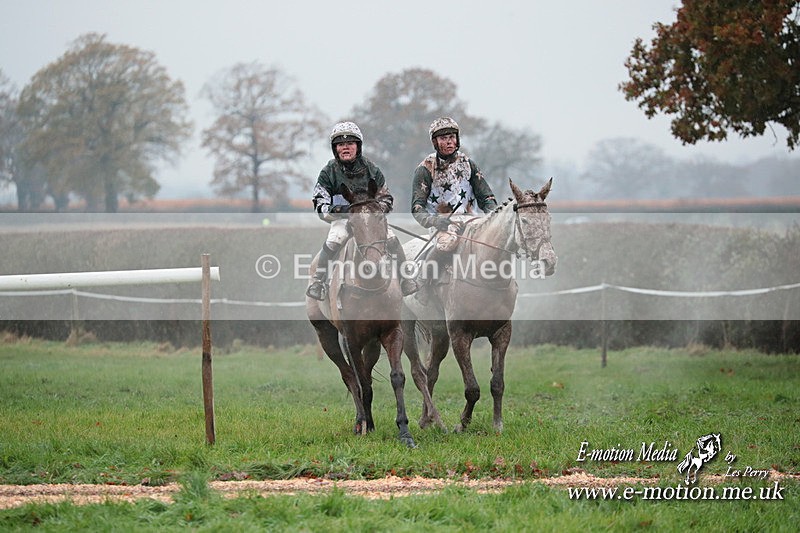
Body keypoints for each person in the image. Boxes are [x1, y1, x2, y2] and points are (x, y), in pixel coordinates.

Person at [306, 121, 418, 301]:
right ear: (335, 148)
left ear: (358, 146)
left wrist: (374, 211)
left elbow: (386, 198)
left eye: (350, 143)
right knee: (334, 240)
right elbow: (320, 204)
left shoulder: (372, 169)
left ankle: (406, 279)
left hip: (370, 220)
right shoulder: (328, 172)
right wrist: (341, 210)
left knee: (392, 239)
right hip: (343, 219)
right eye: (340, 144)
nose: (345, 147)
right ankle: (318, 282)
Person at [410, 117, 499, 295]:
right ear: (435, 142)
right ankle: (422, 282)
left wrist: (494, 214)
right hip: (443, 224)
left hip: (472, 221)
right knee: (447, 245)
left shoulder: (469, 164)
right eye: (443, 138)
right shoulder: (425, 168)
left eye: (452, 137)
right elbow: (417, 208)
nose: (449, 141)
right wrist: (434, 221)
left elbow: (486, 197)